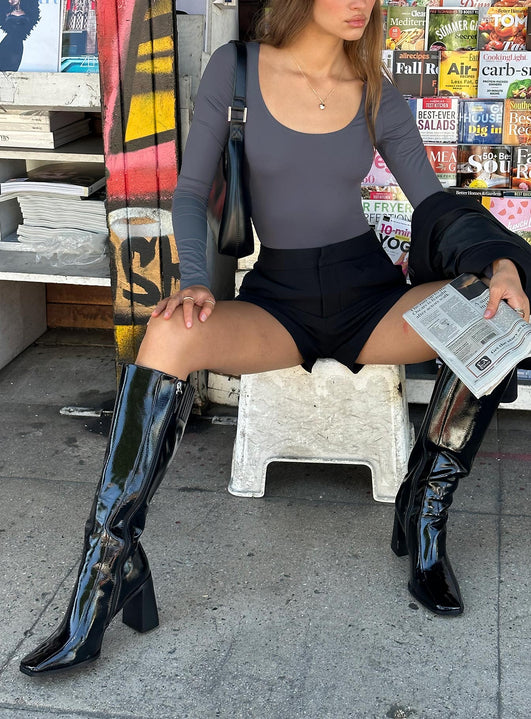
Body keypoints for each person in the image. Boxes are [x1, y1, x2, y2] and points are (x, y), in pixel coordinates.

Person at [19, 0, 531, 676]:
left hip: (368, 297)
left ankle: (425, 513)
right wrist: (195, 280)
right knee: (168, 332)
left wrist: (498, 260)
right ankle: (107, 571)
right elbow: (192, 191)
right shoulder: (234, 71)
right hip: (278, 302)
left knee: (495, 315)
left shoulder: (373, 89)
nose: (360, 3)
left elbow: (433, 204)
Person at [0, 0, 40, 72]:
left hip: (18, 44)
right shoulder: (5, 11)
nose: (10, 1)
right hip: (7, 43)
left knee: (11, 69)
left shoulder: (30, 11)